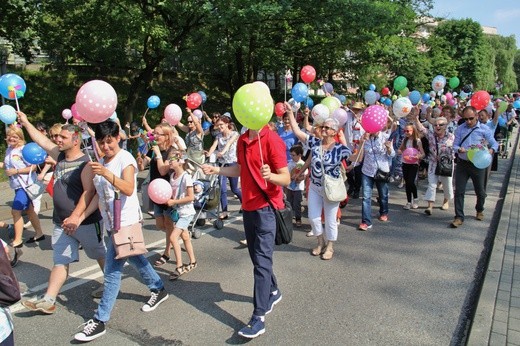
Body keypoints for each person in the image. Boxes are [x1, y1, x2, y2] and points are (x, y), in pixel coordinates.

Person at [74, 121, 168, 342]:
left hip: (125, 221)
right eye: (101, 142)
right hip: (111, 223)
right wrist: (79, 217)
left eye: (109, 141)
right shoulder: (100, 162)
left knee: (112, 272)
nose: (106, 146)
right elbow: (96, 196)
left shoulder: (125, 158)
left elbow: (127, 188)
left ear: (118, 138)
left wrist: (106, 173)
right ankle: (158, 288)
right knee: (135, 257)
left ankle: (100, 320)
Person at [201, 119, 290, 339]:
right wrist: (217, 170)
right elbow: (241, 169)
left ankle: (258, 317)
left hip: (267, 208)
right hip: (248, 207)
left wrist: (272, 176)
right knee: (257, 258)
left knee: (261, 261)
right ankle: (274, 290)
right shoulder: (242, 140)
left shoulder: (272, 140)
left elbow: (286, 177)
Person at [18, 112, 106, 314]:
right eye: (57, 137)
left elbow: (88, 192)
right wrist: (26, 122)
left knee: (99, 255)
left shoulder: (86, 163)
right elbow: (41, 140)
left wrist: (75, 217)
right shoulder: (60, 156)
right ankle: (49, 300)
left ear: (76, 140)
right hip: (61, 223)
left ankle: (110, 285)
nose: (57, 139)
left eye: (62, 137)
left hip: (85, 223)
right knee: (60, 261)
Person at [286, 102, 351, 260]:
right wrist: (289, 114)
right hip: (315, 186)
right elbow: (297, 131)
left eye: (327, 128)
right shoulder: (315, 143)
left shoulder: (339, 149)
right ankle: (320, 242)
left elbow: (355, 159)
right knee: (314, 218)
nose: (323, 129)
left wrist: (363, 143)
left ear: (334, 131)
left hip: (331, 188)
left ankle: (330, 246)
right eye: (323, 127)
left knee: (330, 220)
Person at [0, 126, 45, 267]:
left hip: (25, 186)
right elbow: (7, 166)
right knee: (30, 210)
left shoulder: (24, 150)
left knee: (16, 211)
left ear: (20, 137)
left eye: (15, 136)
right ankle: (39, 233)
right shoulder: (9, 150)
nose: (12, 138)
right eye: (9, 136)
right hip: (16, 186)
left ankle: (17, 240)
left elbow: (33, 167)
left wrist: (16, 171)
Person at [450, 106, 498, 228]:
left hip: (478, 164)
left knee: (480, 191)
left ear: (476, 116)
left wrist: (491, 150)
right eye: (466, 119)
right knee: (459, 190)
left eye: (471, 118)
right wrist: (458, 149)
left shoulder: (484, 129)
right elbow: (454, 145)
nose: (468, 121)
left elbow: (494, 143)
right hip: (463, 163)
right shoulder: (460, 129)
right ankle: (459, 216)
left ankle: (479, 209)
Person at [137, 123, 175, 266]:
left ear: (167, 136)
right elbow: (141, 167)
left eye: (158, 134)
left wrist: (158, 154)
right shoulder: (152, 149)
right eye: (155, 133)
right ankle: (176, 235)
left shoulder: (172, 151)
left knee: (168, 223)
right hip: (155, 192)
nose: (155, 136)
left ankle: (167, 252)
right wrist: (140, 161)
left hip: (167, 192)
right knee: (160, 225)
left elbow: (164, 170)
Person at [165, 151, 197, 280]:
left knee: (173, 238)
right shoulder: (172, 176)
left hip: (186, 213)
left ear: (180, 161)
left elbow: (191, 197)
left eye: (172, 159)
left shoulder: (186, 177)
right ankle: (193, 261)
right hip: (178, 212)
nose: (169, 161)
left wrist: (174, 201)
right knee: (185, 237)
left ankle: (179, 266)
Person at [414, 114, 454, 214]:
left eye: (440, 125)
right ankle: (430, 206)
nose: (437, 127)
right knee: (432, 184)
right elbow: (421, 129)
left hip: (446, 163)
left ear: (445, 126)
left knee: (447, 184)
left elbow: (456, 148)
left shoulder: (451, 136)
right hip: (433, 163)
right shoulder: (431, 135)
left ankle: (446, 201)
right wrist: (415, 118)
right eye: (435, 125)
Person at [357, 129, 395, 231]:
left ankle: (384, 212)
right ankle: (366, 222)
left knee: (383, 195)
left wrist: (388, 148)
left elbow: (392, 155)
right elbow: (359, 156)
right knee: (366, 197)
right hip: (367, 171)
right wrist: (362, 142)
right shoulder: (365, 138)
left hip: (382, 171)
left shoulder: (386, 137)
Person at [205, 115, 242, 220]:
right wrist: (209, 154)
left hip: (232, 163)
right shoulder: (218, 136)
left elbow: (229, 144)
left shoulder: (234, 134)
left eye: (221, 125)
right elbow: (213, 146)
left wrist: (222, 152)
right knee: (222, 189)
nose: (220, 127)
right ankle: (225, 211)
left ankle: (244, 203)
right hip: (222, 165)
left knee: (234, 189)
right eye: (218, 125)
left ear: (227, 124)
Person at [397, 123, 425, 209]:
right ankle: (409, 201)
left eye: (408, 131)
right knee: (407, 183)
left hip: (414, 164)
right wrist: (399, 151)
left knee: (410, 182)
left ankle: (415, 198)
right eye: (405, 131)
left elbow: (423, 153)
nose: (406, 132)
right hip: (405, 163)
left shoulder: (417, 141)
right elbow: (400, 149)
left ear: (413, 131)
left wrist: (419, 156)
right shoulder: (405, 140)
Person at [287, 145, 307, 227]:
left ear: (299, 155)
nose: (291, 156)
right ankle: (289, 218)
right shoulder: (290, 163)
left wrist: (299, 178)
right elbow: (287, 174)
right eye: (291, 155)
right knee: (289, 203)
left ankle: (298, 218)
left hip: (298, 188)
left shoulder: (303, 164)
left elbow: (305, 175)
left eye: (293, 155)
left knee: (297, 204)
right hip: (290, 187)